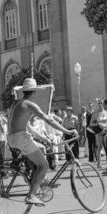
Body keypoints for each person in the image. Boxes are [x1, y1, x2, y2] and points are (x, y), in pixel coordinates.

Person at [7, 78, 77, 206]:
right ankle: (31, 195)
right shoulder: (30, 104)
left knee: (42, 149)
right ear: (34, 92)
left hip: (12, 138)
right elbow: (48, 120)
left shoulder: (17, 103)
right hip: (20, 138)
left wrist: (44, 139)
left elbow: (28, 126)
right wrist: (67, 131)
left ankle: (39, 179)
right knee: (44, 165)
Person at [90, 100, 107, 168]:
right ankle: (99, 163)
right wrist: (98, 123)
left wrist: (105, 125)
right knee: (99, 147)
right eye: (99, 103)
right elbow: (91, 123)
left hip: (106, 130)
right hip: (98, 131)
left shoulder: (106, 112)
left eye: (101, 103)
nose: (100, 104)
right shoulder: (95, 113)